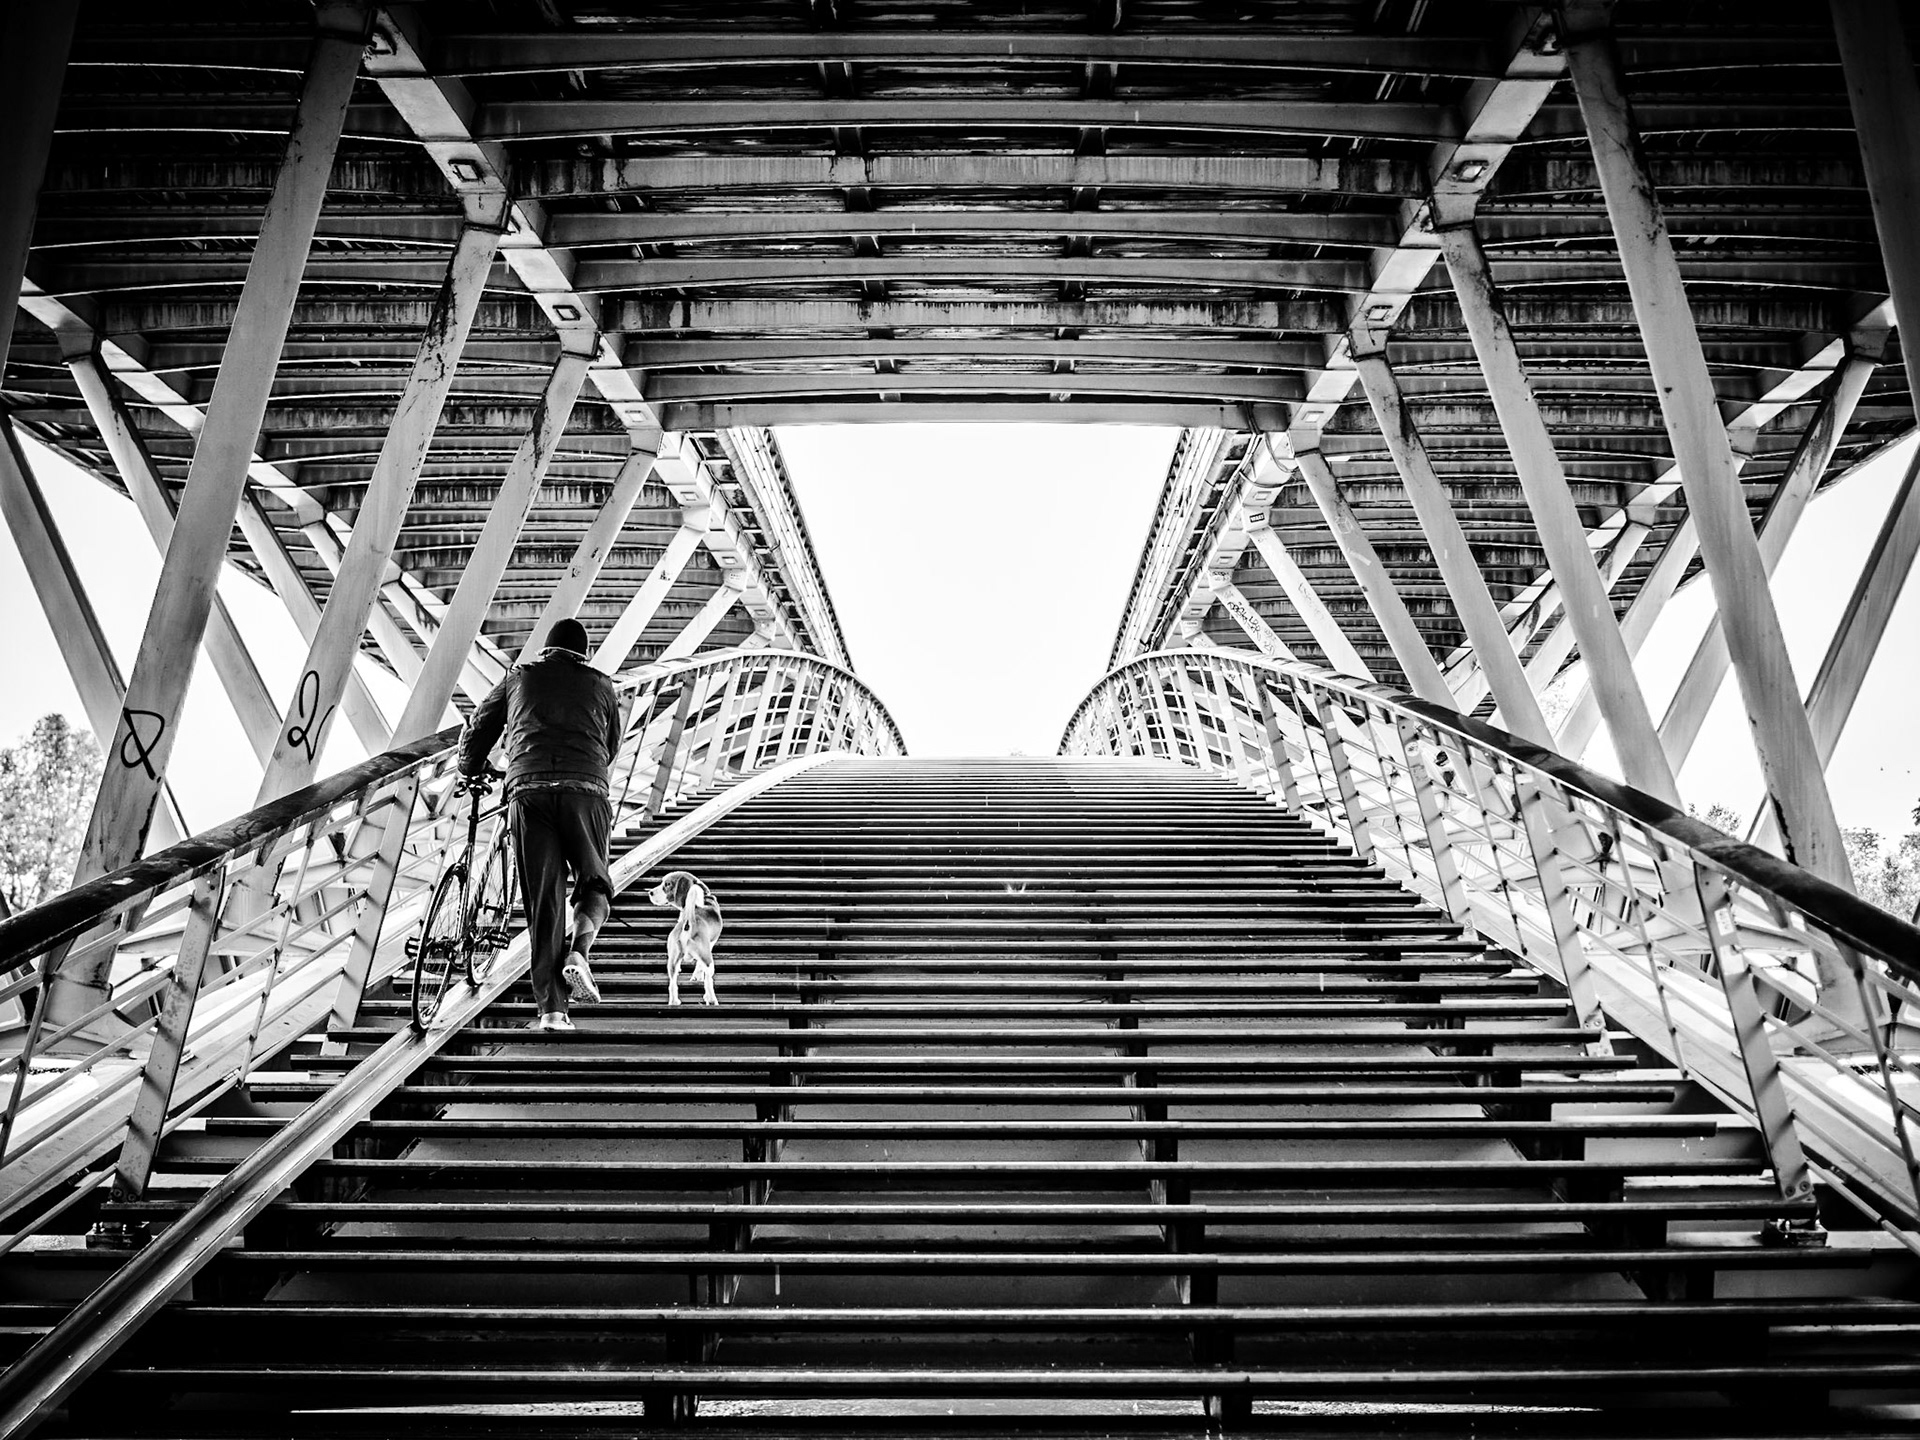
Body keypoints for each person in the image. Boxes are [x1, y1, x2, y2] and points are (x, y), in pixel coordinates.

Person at [457, 616, 623, 1031]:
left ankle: (552, 1011)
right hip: (586, 790)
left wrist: (471, 768)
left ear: (545, 649)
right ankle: (580, 952)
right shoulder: (602, 684)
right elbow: (612, 746)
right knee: (595, 882)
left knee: (543, 904)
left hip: (528, 791)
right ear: (584, 655)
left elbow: (480, 727)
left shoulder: (519, 677)